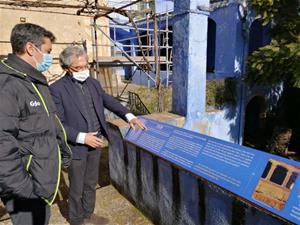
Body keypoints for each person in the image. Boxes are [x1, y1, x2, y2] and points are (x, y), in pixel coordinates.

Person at [49, 46, 146, 225]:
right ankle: (77, 220)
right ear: (67, 68)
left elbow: (107, 100)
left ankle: (88, 214)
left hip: (96, 142)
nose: (84, 70)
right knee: (76, 187)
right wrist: (81, 137)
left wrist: (129, 115)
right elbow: (57, 123)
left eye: (86, 66)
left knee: (90, 182)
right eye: (79, 68)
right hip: (76, 146)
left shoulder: (93, 83)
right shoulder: (56, 89)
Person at [0, 23, 72, 225]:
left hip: (39, 182)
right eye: (48, 51)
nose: (50, 58)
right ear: (31, 49)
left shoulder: (33, 81)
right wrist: (25, 190)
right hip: (25, 192)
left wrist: (63, 153)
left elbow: (48, 124)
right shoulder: (7, 85)